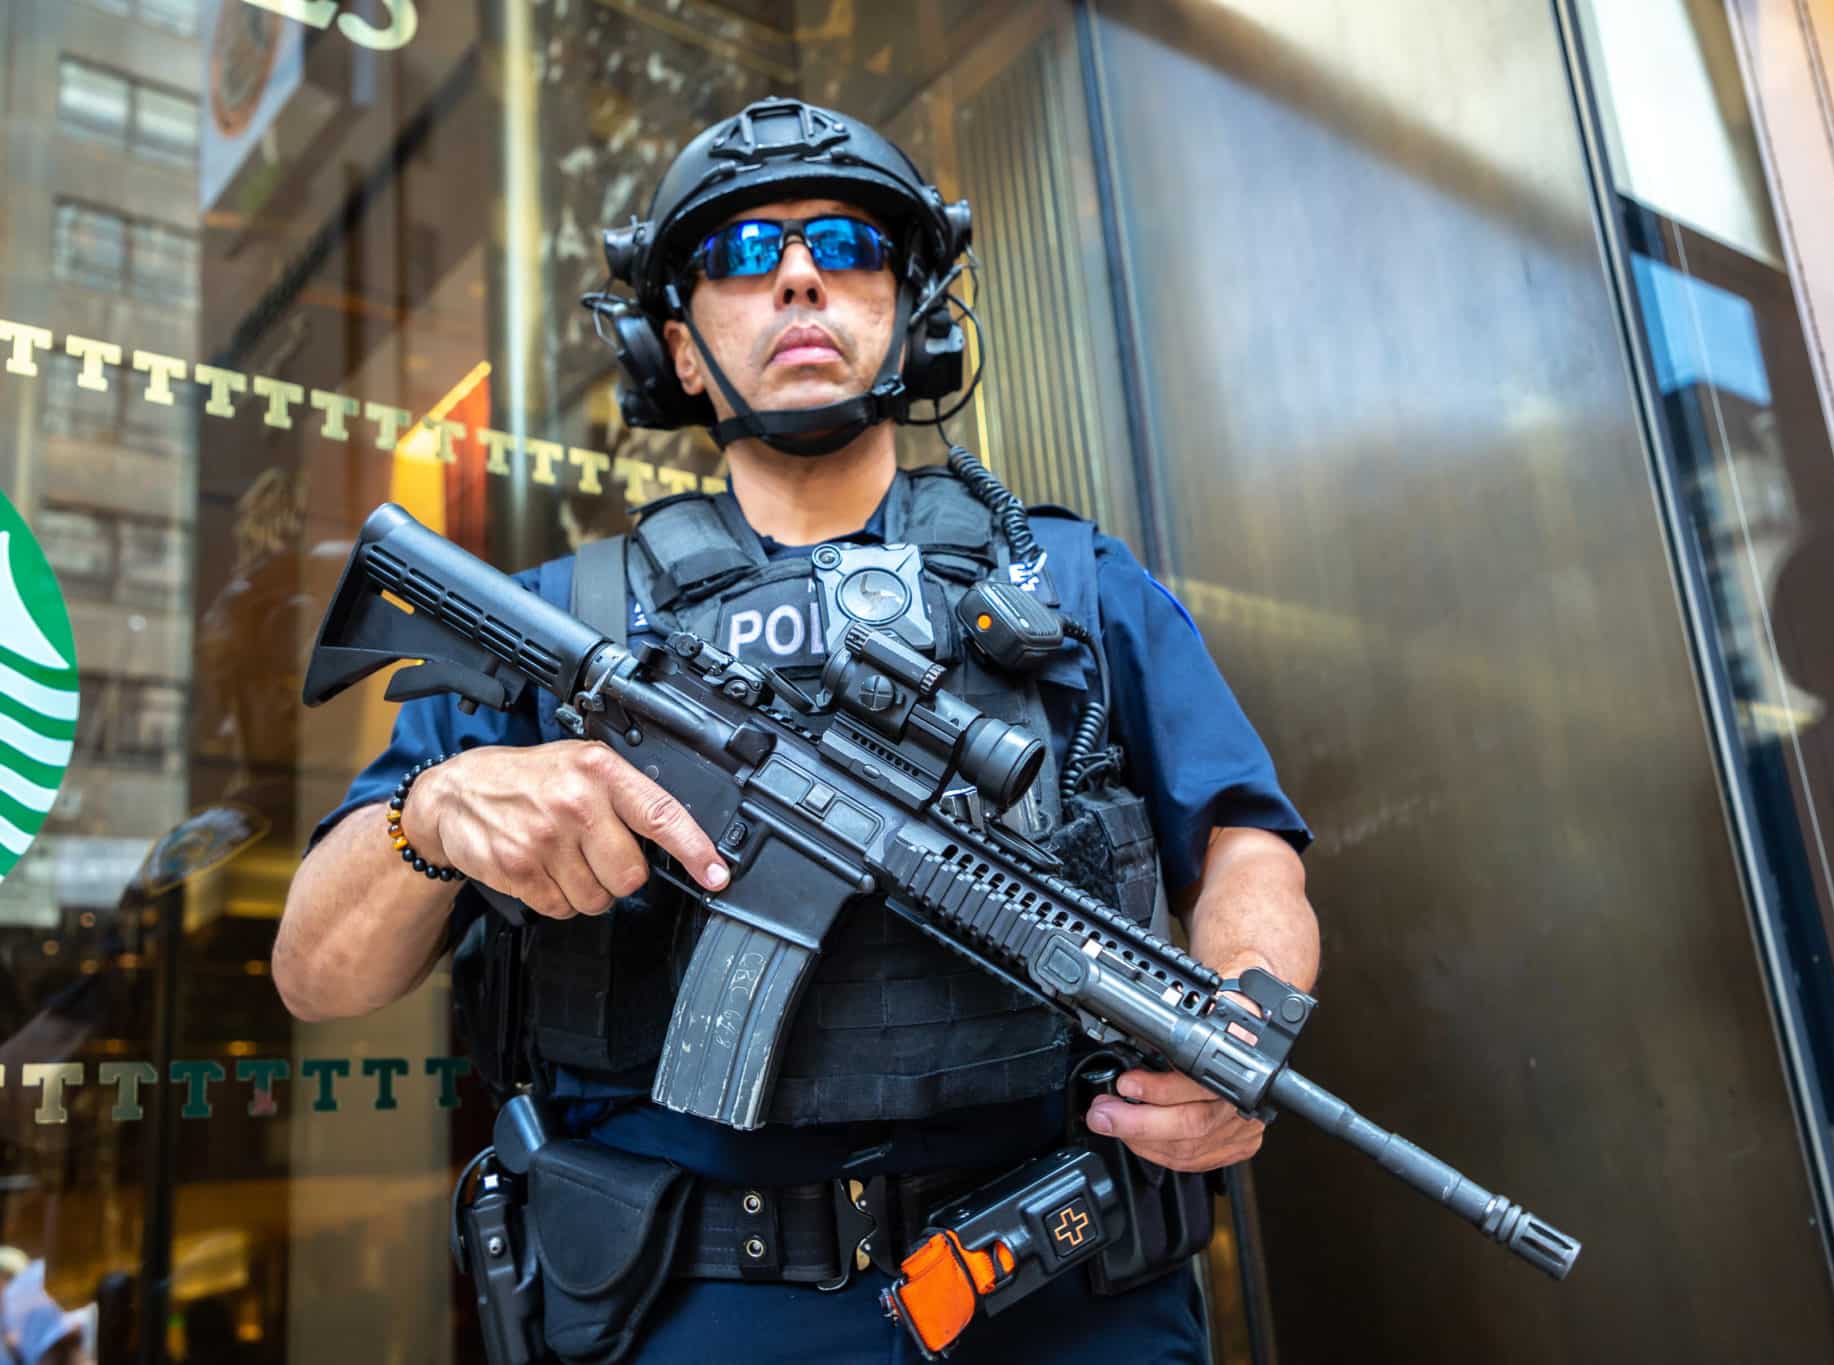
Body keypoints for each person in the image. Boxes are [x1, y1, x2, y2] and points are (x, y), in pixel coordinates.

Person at [275, 97, 1318, 1363]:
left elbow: (1245, 847)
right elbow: (317, 974)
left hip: (1060, 1283)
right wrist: (430, 815)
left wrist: (1240, 1031)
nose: (800, 277)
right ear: (681, 346)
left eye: (843, 241)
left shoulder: (1070, 583)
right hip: (684, 1303)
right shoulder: (560, 625)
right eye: (739, 255)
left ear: (916, 311)